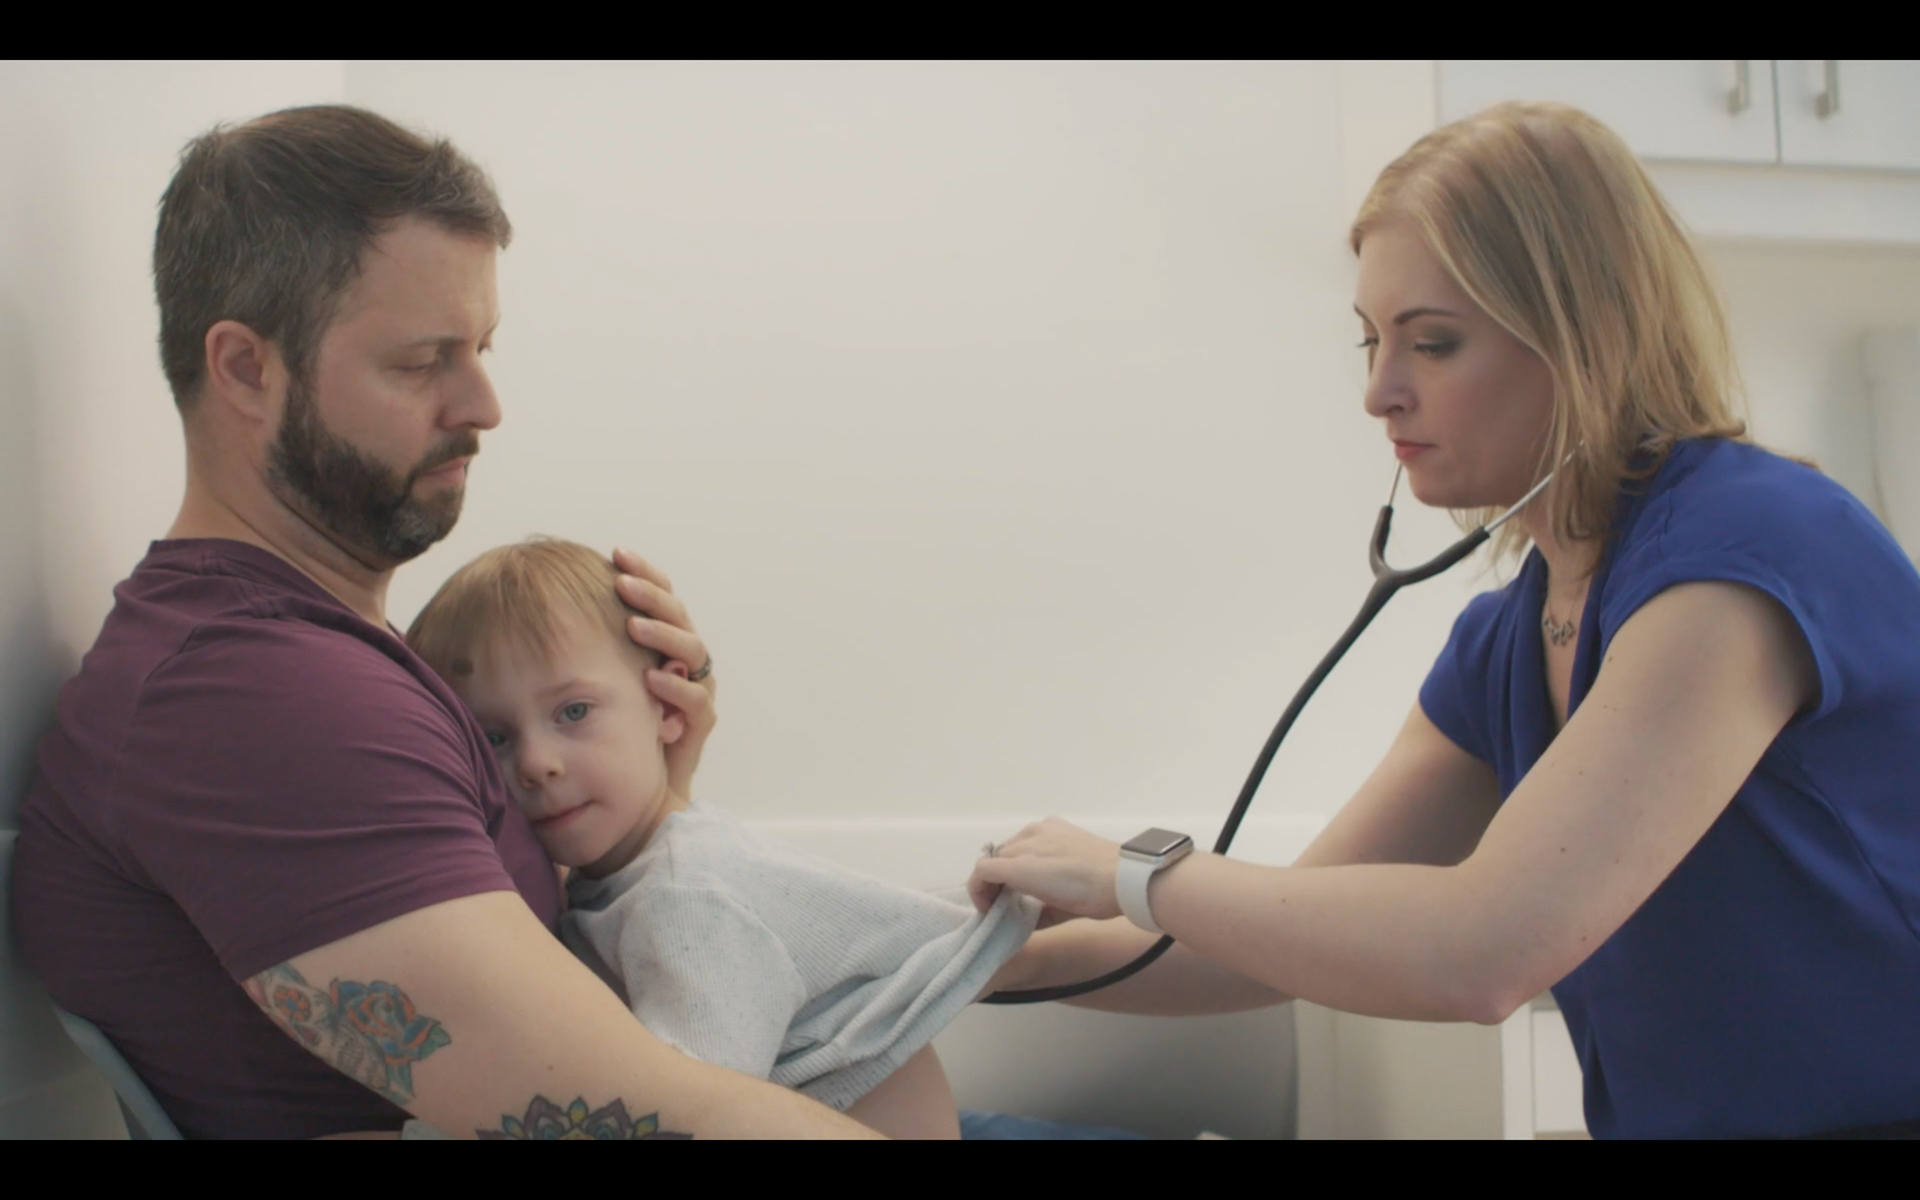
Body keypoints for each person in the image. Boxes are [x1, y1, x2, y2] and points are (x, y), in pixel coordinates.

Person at [969, 101, 1920, 1139]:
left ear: (1583, 339)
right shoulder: (1509, 641)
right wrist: (967, 963)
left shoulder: (1747, 552)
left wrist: (1129, 872)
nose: (1379, 392)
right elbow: (1264, 943)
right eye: (1371, 340)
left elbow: (1485, 950)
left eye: (1432, 343)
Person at [9, 105, 879, 1138]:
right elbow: (630, 1119)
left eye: (482, 347)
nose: (483, 403)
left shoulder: (325, 658)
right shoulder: (257, 697)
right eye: (423, 361)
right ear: (246, 368)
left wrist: (655, 808)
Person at [404, 538, 1039, 1139]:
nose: (535, 763)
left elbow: (683, 1116)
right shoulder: (628, 871)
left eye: (573, 712)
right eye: (493, 738)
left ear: (669, 706)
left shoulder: (687, 900)